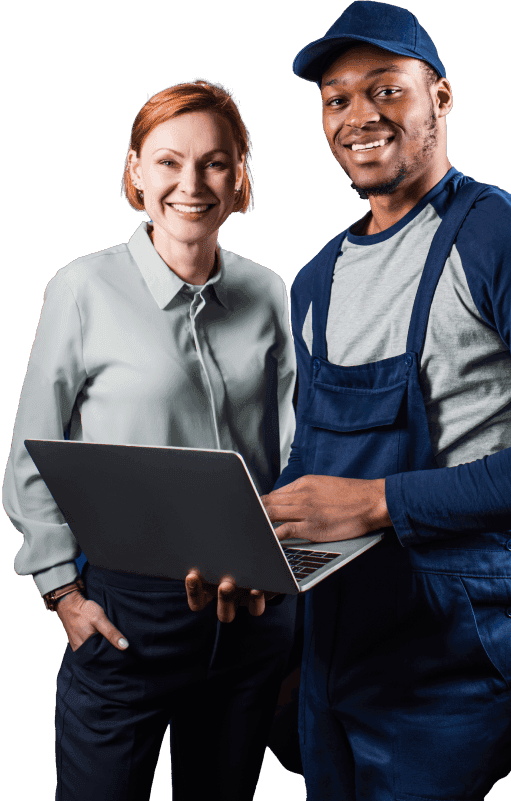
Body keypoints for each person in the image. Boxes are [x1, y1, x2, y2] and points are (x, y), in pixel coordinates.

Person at [259, 3, 511, 800]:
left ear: (442, 96)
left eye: (386, 89)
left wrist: (377, 502)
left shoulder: (509, 241)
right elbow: (312, 460)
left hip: (449, 641)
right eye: (336, 99)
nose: (359, 116)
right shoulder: (316, 279)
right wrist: (255, 553)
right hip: (331, 635)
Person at [2, 79, 296, 801]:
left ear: (240, 173)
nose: (191, 184)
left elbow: (293, 448)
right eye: (168, 161)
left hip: (251, 612)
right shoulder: (82, 289)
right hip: (128, 614)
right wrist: (60, 590)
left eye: (214, 162)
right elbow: (32, 452)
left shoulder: (268, 292)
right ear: (135, 170)